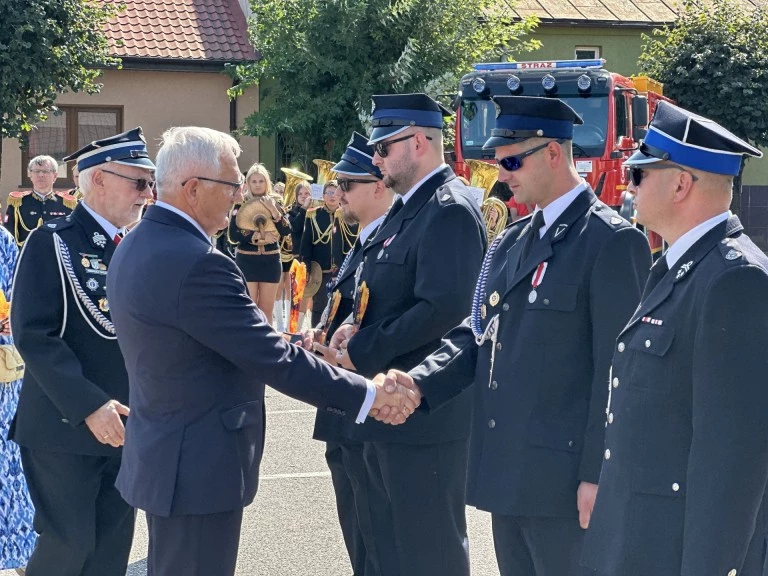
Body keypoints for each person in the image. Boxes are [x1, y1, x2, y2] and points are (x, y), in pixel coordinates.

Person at [105, 126, 419, 576]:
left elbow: (219, 337)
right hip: (196, 468)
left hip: (169, 457)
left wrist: (299, 343)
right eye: (231, 185)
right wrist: (368, 396)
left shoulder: (139, 241)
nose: (239, 197)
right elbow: (269, 357)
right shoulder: (198, 262)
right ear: (193, 188)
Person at [381, 95, 652, 576]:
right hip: (511, 471)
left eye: (510, 161)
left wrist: (598, 474)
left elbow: (620, 373)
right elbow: (479, 331)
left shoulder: (610, 240)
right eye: (496, 162)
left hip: (566, 483)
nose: (502, 175)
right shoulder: (511, 239)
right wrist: (420, 381)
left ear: (552, 153)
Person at [579, 102, 768, 576]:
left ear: (681, 183)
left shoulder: (734, 280)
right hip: (636, 539)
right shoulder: (677, 266)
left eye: (640, 173)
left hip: (674, 551)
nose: (628, 182)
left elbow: (732, 457)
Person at [329, 93, 487, 576]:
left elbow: (444, 311)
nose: (375, 160)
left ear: (419, 142)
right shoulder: (404, 212)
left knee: (428, 553)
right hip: (385, 408)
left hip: (425, 417)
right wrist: (349, 328)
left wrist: (362, 348)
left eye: (383, 148)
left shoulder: (450, 210)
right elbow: (383, 294)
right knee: (386, 551)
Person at [9, 127, 156, 576]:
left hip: (126, 425)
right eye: (138, 182)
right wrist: (89, 405)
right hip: (63, 426)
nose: (147, 194)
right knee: (67, 548)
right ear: (96, 180)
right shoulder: (51, 240)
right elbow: (33, 333)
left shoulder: (138, 246)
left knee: (111, 553)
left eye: (150, 183)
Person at [302, 131, 394, 576]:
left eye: (350, 183)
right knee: (357, 531)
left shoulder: (390, 240)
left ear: (380, 186)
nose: (338, 191)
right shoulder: (361, 239)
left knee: (376, 536)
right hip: (342, 409)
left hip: (367, 406)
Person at [0, 225, 36, 575]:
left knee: (9, 467)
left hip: (2, 381)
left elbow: (17, 297)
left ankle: (21, 557)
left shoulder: (2, 240)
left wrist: (11, 319)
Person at [228, 163, 291, 323]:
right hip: (247, 261)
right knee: (248, 309)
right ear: (248, 183)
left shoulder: (276, 200)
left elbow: (286, 230)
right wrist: (257, 236)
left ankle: (268, 346)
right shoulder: (240, 203)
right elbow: (233, 233)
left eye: (261, 181)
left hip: (270, 261)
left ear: (266, 182)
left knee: (266, 311)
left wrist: (274, 211)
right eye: (254, 181)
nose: (257, 185)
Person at [299, 180, 357, 327]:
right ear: (323, 196)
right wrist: (306, 268)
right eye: (328, 193)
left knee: (341, 307)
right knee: (319, 309)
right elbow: (306, 245)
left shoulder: (349, 214)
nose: (332, 196)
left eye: (334, 192)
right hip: (321, 270)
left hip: (342, 271)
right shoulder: (313, 215)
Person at [4, 156, 76, 246]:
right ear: (30, 175)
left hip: (57, 257)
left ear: (55, 176)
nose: (41, 175)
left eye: (45, 171)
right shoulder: (17, 203)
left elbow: (74, 235)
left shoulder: (67, 204)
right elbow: (8, 235)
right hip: (26, 256)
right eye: (36, 171)